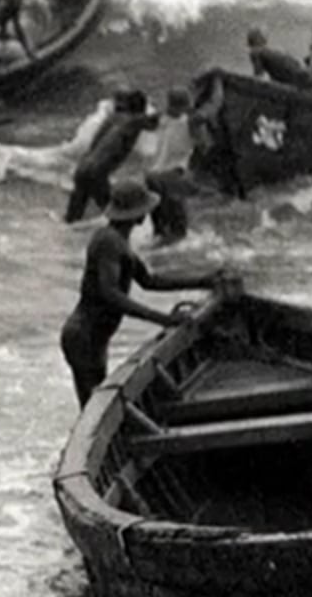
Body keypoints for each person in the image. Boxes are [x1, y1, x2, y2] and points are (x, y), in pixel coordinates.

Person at [60, 181, 222, 406]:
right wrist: (161, 318)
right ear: (137, 213)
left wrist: (203, 281)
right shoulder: (109, 242)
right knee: (94, 407)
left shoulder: (117, 240)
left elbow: (149, 281)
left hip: (92, 339)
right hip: (84, 338)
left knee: (95, 405)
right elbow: (111, 294)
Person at [63, 90, 154, 223]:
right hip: (96, 173)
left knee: (71, 219)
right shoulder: (135, 121)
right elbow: (161, 120)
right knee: (119, 216)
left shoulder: (112, 118)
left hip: (82, 168)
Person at [142, 87, 202, 244]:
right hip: (172, 177)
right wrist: (218, 82)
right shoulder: (189, 122)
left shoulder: (160, 118)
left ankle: (156, 247)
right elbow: (212, 108)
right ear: (184, 106)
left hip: (152, 176)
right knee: (178, 233)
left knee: (160, 229)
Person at [246, 27, 312, 89]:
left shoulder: (256, 51)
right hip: (300, 73)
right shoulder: (270, 51)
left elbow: (258, 76)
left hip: (293, 77)